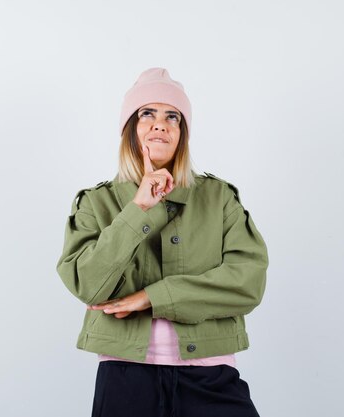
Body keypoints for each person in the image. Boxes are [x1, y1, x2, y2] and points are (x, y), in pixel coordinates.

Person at [56, 67, 269, 417]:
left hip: (210, 374)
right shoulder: (96, 203)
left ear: (182, 133)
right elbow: (90, 286)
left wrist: (151, 298)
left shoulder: (219, 199)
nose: (160, 124)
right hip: (125, 377)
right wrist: (138, 208)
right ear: (129, 131)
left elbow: (247, 283)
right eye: (147, 114)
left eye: (173, 116)